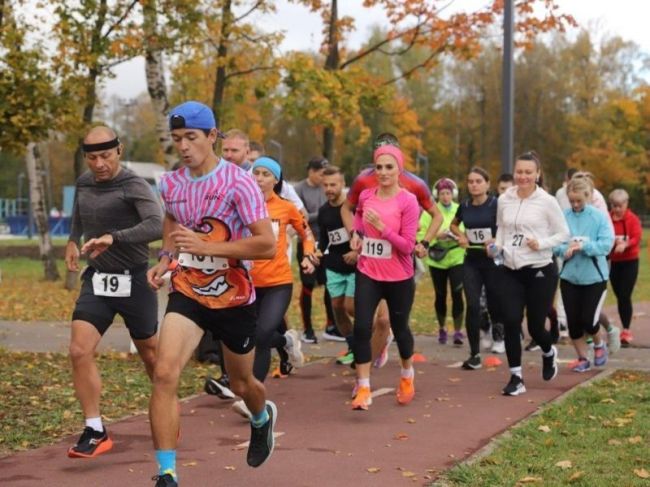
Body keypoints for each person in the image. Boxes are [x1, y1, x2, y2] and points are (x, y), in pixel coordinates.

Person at [147, 101, 277, 486]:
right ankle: (167, 473)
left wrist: (207, 246)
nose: (183, 147)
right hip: (188, 290)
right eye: (176, 139)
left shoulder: (239, 182)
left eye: (191, 137)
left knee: (241, 385)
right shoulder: (171, 183)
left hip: (234, 296)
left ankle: (261, 417)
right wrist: (167, 257)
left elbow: (266, 244)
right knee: (165, 373)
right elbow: (172, 219)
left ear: (212, 136)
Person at [64, 126, 162, 458]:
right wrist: (72, 241)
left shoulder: (134, 184)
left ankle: (166, 407)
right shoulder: (84, 181)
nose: (99, 164)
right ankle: (95, 429)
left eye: (105, 155)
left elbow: (157, 224)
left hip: (135, 280)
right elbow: (79, 213)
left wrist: (114, 237)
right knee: (79, 350)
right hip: (99, 279)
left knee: (150, 353)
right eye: (92, 157)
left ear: (119, 150)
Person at [341, 133, 443, 368]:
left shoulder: (415, 184)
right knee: (359, 317)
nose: (384, 170)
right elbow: (348, 209)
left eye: (390, 160)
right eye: (380, 155)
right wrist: (354, 233)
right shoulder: (364, 182)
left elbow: (436, 215)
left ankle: (372, 366)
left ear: (399, 157)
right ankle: (366, 371)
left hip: (400, 256)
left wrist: (425, 242)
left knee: (387, 320)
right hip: (370, 261)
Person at [349, 144, 419, 410]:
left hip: (399, 275)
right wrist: (357, 234)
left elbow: (408, 246)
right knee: (361, 327)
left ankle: (407, 374)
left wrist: (382, 229)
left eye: (389, 167)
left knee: (399, 329)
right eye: (378, 167)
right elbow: (358, 216)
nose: (383, 172)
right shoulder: (367, 196)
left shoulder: (407, 201)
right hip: (368, 270)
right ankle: (364, 386)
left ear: (399, 169)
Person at [494, 151, 570, 396]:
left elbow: (563, 234)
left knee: (536, 327)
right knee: (511, 321)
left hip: (540, 270)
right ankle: (516, 377)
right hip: (510, 270)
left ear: (537, 174)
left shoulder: (547, 201)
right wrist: (496, 247)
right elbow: (501, 229)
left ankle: (549, 352)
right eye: (519, 172)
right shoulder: (505, 199)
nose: (523, 176)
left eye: (528, 172)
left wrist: (542, 242)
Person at [553, 177, 614, 372]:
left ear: (588, 196)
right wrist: (565, 249)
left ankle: (598, 344)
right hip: (569, 277)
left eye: (579, 200)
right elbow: (555, 244)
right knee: (573, 323)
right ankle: (582, 358)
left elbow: (606, 244)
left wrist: (584, 246)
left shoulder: (599, 217)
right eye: (572, 201)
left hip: (594, 278)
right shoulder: (564, 217)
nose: (575, 204)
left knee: (589, 319)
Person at [450, 168, 504, 370]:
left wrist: (496, 239)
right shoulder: (464, 205)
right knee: (472, 305)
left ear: (487, 184)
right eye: (470, 181)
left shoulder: (496, 205)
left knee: (494, 302)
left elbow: (507, 226)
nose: (473, 184)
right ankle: (474, 354)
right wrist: (461, 236)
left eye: (478, 181)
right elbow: (454, 225)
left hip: (493, 261)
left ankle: (498, 336)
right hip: (471, 261)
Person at [295, 157, 338, 343]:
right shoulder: (298, 190)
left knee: (330, 285)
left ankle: (331, 325)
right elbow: (300, 218)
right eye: (321, 174)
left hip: (327, 243)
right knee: (308, 286)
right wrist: (323, 212)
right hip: (307, 243)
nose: (324, 178)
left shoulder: (325, 188)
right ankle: (307, 329)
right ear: (311, 172)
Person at [318, 165, 357, 365]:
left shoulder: (354, 208)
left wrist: (356, 252)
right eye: (325, 185)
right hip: (334, 265)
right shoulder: (323, 211)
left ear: (342, 184)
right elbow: (324, 241)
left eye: (333, 184)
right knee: (337, 307)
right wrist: (314, 253)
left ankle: (374, 337)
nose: (329, 189)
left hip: (355, 266)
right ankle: (353, 347)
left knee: (351, 306)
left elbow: (367, 233)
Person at [420, 178, 465, 346]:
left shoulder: (459, 209)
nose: (445, 197)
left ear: (453, 194)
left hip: (457, 257)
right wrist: (436, 237)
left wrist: (458, 236)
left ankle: (458, 331)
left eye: (448, 193)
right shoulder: (429, 212)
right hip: (437, 259)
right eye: (441, 194)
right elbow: (421, 234)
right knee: (440, 295)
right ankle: (442, 328)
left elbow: (466, 230)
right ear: (436, 195)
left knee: (457, 293)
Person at [608, 189, 642, 346]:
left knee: (624, 294)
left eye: (620, 206)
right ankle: (622, 327)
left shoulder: (632, 219)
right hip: (614, 262)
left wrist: (625, 244)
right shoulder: (607, 218)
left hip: (630, 261)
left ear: (626, 204)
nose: (617, 209)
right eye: (614, 205)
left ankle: (626, 330)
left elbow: (636, 237)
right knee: (618, 294)